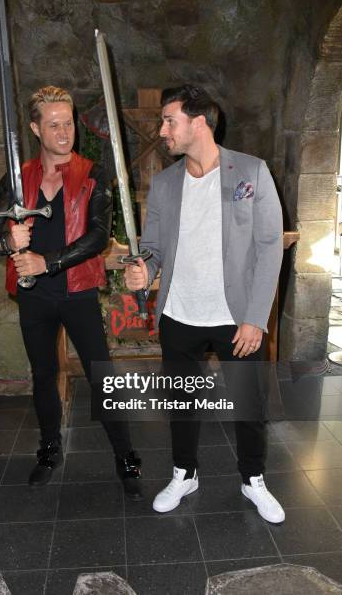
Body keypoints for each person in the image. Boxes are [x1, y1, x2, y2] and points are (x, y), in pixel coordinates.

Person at [124, 84, 285, 522]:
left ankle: (253, 479)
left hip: (236, 319)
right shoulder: (164, 183)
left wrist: (255, 319)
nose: (162, 130)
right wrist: (144, 269)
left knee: (249, 405)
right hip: (179, 314)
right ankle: (184, 473)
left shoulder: (251, 172)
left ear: (199, 123)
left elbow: (270, 246)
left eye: (168, 120)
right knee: (181, 404)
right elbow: (152, 248)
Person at [0, 85, 142, 500]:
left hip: (77, 291)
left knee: (102, 376)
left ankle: (126, 457)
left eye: (68, 123)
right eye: (54, 125)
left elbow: (99, 236)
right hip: (33, 296)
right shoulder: (19, 179)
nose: (65, 132)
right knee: (44, 375)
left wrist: (46, 261)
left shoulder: (90, 174)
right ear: (36, 128)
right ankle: (49, 451)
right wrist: (7, 240)